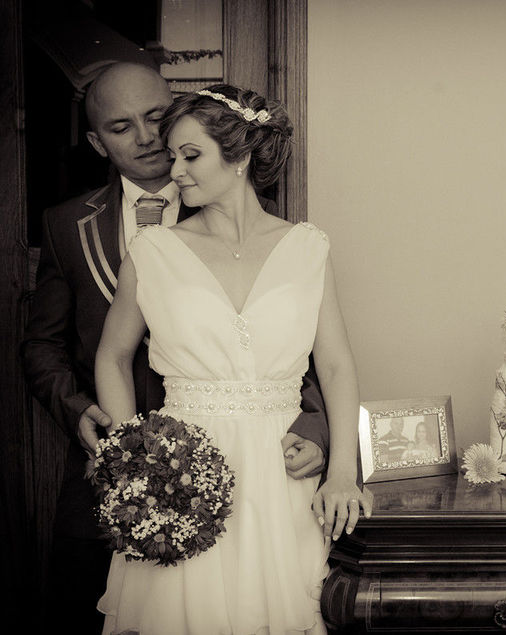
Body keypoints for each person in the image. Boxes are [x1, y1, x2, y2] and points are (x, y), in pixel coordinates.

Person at [20, 63, 329, 634]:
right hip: (128, 472)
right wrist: (104, 433)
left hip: (264, 464)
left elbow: (291, 349)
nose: (144, 139)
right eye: (120, 127)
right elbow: (44, 347)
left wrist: (315, 428)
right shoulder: (68, 224)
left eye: (155, 119)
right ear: (96, 142)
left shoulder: (267, 222)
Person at [94, 83, 372, 634]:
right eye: (173, 156)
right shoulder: (153, 252)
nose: (174, 170)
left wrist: (341, 470)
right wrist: (136, 465)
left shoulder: (307, 247)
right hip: (183, 475)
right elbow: (112, 356)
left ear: (240, 156)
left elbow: (336, 366)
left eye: (190, 155)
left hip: (280, 473)